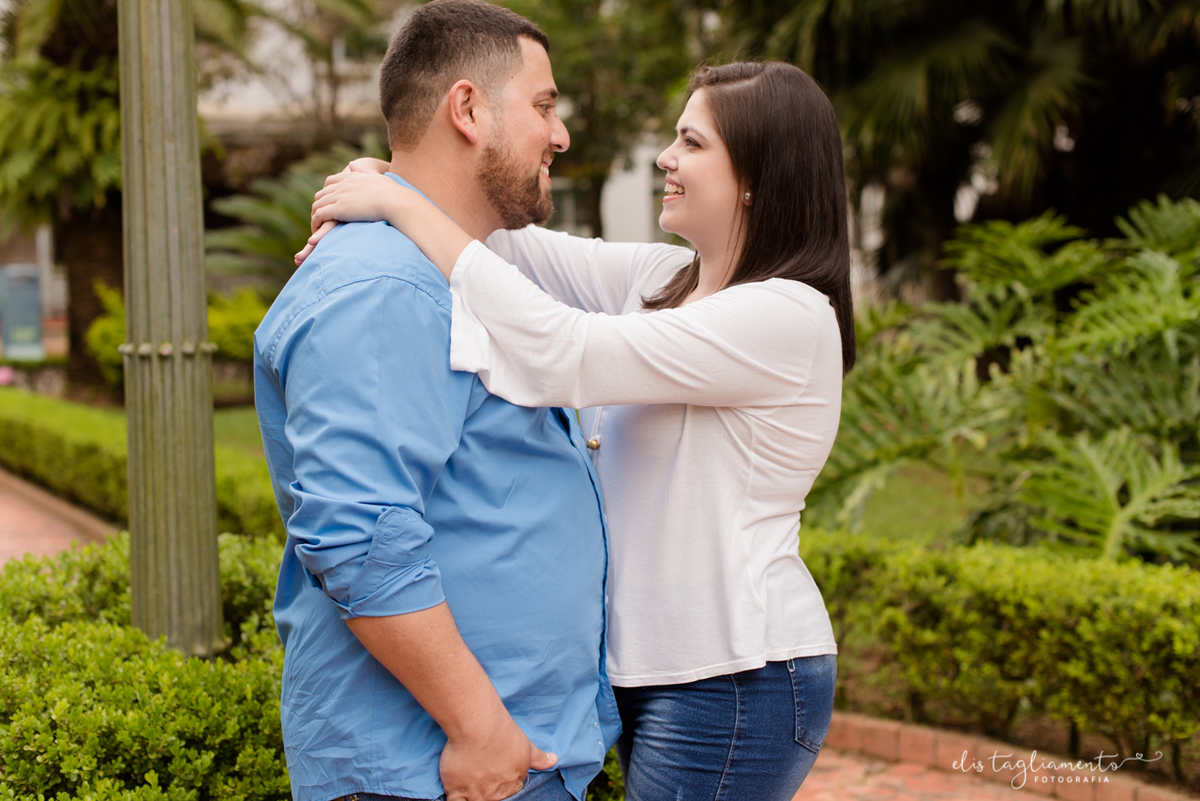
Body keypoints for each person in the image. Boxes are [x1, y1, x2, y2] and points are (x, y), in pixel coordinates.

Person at [303, 61, 856, 801]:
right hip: (658, 671)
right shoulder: (666, 283)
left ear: (755, 176)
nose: (665, 156)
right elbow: (504, 247)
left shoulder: (786, 317)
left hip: (735, 676)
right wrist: (397, 177)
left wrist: (395, 205)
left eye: (691, 143)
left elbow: (566, 351)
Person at [254, 2, 620, 800]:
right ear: (467, 109)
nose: (560, 135)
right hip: (438, 770)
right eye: (545, 106)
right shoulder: (383, 287)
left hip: (489, 761)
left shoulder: (441, 269)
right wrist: (479, 729)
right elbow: (357, 532)